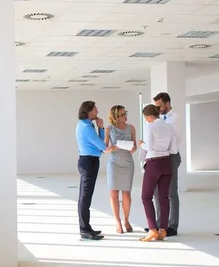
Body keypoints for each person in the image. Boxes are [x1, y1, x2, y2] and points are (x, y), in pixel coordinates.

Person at [76, 101, 117, 240]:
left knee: (85, 196)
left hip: (88, 161)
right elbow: (103, 146)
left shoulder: (86, 125)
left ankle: (86, 227)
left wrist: (100, 128)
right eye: (95, 109)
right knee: (85, 197)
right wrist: (111, 147)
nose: (97, 111)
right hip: (89, 162)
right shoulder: (86, 128)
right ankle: (84, 229)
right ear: (89, 112)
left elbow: (100, 144)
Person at [138, 104, 178, 242]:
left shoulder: (151, 126)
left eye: (145, 118)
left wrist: (141, 144)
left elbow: (148, 146)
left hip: (154, 163)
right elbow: (174, 150)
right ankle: (162, 230)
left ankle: (152, 230)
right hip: (167, 163)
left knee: (146, 197)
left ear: (149, 116)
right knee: (164, 198)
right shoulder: (170, 127)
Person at [153, 92, 181, 237]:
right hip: (160, 156)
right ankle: (159, 224)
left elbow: (169, 139)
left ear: (167, 103)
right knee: (158, 192)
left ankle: (172, 225)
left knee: (171, 192)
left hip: (171, 156)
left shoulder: (175, 119)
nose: (157, 109)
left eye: (159, 106)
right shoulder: (160, 119)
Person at [104, 105, 136, 234]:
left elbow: (134, 149)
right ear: (115, 117)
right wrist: (112, 148)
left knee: (126, 194)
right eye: (122, 114)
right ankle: (117, 221)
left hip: (127, 163)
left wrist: (131, 147)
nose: (125, 116)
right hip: (114, 163)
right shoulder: (109, 128)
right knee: (113, 193)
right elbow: (105, 149)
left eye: (125, 113)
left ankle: (126, 220)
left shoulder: (131, 128)